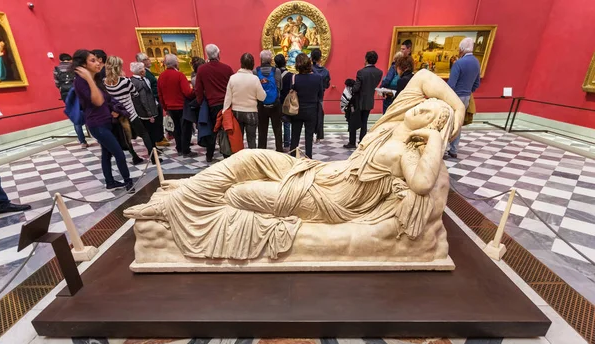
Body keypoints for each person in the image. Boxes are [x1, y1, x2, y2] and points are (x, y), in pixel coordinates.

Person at [124, 69, 466, 262]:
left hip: (328, 200)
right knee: (247, 157)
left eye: (430, 113)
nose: (421, 107)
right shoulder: (393, 121)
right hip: (319, 172)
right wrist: (455, 111)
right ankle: (184, 192)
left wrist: (438, 137)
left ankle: (174, 207)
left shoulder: (406, 150)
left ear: (429, 127)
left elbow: (422, 184)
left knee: (240, 195)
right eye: (425, 105)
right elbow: (422, 77)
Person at [72, 49, 133, 191]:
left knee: (107, 153)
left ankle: (110, 182)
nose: (98, 63)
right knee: (118, 153)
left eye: (97, 60)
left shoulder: (96, 79)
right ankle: (128, 181)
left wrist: (115, 110)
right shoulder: (81, 82)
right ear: (83, 65)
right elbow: (98, 101)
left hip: (106, 121)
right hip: (97, 124)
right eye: (92, 61)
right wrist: (88, 78)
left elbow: (106, 99)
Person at [104, 56, 157, 163]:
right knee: (144, 134)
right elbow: (135, 93)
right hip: (131, 113)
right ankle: (153, 158)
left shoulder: (104, 83)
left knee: (126, 138)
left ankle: (134, 156)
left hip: (118, 115)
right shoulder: (124, 81)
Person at [195, 44, 234, 162]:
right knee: (226, 128)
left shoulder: (202, 69)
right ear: (218, 54)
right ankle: (227, 155)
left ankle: (209, 154)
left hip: (211, 104)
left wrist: (201, 102)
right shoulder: (226, 68)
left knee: (212, 129)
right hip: (226, 104)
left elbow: (198, 88)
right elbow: (233, 86)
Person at [445, 37, 481, 159]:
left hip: (455, 97)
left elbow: (451, 85)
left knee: (448, 122)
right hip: (466, 97)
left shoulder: (459, 63)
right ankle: (454, 150)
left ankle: (444, 149)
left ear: (461, 49)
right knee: (458, 124)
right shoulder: (476, 62)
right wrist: (468, 91)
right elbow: (476, 84)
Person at [223, 53, 266, 149]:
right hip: (251, 112)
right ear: (252, 64)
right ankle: (251, 161)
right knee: (251, 139)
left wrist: (224, 113)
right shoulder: (255, 79)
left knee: (238, 139)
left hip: (236, 112)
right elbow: (262, 97)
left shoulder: (233, 78)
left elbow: (228, 98)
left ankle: (239, 160)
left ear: (241, 63)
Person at [158, 54, 196, 157]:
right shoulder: (179, 75)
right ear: (175, 63)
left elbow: (160, 94)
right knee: (186, 129)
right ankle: (186, 150)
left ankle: (179, 148)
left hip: (170, 107)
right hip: (181, 106)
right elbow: (187, 92)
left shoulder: (161, 76)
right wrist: (195, 91)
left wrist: (165, 107)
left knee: (176, 129)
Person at [344, 51, 383, 149]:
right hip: (369, 100)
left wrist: (351, 87)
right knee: (364, 122)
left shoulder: (361, 72)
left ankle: (352, 142)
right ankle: (362, 142)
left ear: (366, 59)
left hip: (358, 101)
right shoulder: (379, 72)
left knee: (353, 120)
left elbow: (356, 88)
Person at [129, 61, 163, 163]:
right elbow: (144, 99)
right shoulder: (140, 82)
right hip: (146, 114)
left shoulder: (133, 80)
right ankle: (153, 156)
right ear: (141, 71)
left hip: (141, 112)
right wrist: (150, 114)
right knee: (150, 135)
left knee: (149, 134)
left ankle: (154, 152)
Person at [290, 53, 322, 158]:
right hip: (312, 110)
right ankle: (309, 159)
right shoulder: (318, 78)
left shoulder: (294, 78)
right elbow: (320, 95)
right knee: (309, 137)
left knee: (295, 137)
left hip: (297, 110)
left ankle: (293, 159)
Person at [54, 53, 88, 148]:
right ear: (70, 59)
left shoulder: (57, 69)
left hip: (66, 94)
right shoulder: (75, 67)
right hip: (78, 92)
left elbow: (57, 84)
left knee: (75, 116)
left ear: (61, 60)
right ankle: (98, 136)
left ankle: (82, 142)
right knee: (88, 112)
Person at [136, 52, 169, 147]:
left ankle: (160, 137)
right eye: (146, 59)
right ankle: (158, 139)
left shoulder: (148, 72)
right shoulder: (144, 74)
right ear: (142, 62)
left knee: (159, 120)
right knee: (156, 121)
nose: (149, 60)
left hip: (156, 99)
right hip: (153, 100)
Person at [256, 50, 283, 152]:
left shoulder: (256, 71)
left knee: (262, 130)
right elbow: (280, 87)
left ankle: (262, 151)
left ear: (261, 59)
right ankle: (279, 149)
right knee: (277, 129)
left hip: (261, 104)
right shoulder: (276, 71)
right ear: (271, 59)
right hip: (275, 104)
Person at [182, 56, 205, 147]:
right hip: (201, 100)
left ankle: (203, 140)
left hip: (197, 101)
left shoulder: (193, 75)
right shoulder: (198, 77)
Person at [311, 49, 330, 143]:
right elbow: (327, 85)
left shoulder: (309, 70)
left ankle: (309, 135)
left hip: (309, 96)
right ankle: (319, 136)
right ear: (320, 58)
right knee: (320, 115)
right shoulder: (325, 71)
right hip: (320, 96)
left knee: (310, 116)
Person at [275, 54, 292, 150]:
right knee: (286, 123)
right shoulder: (290, 75)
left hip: (276, 101)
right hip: (286, 102)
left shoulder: (274, 74)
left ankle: (278, 144)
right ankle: (287, 143)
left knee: (277, 124)